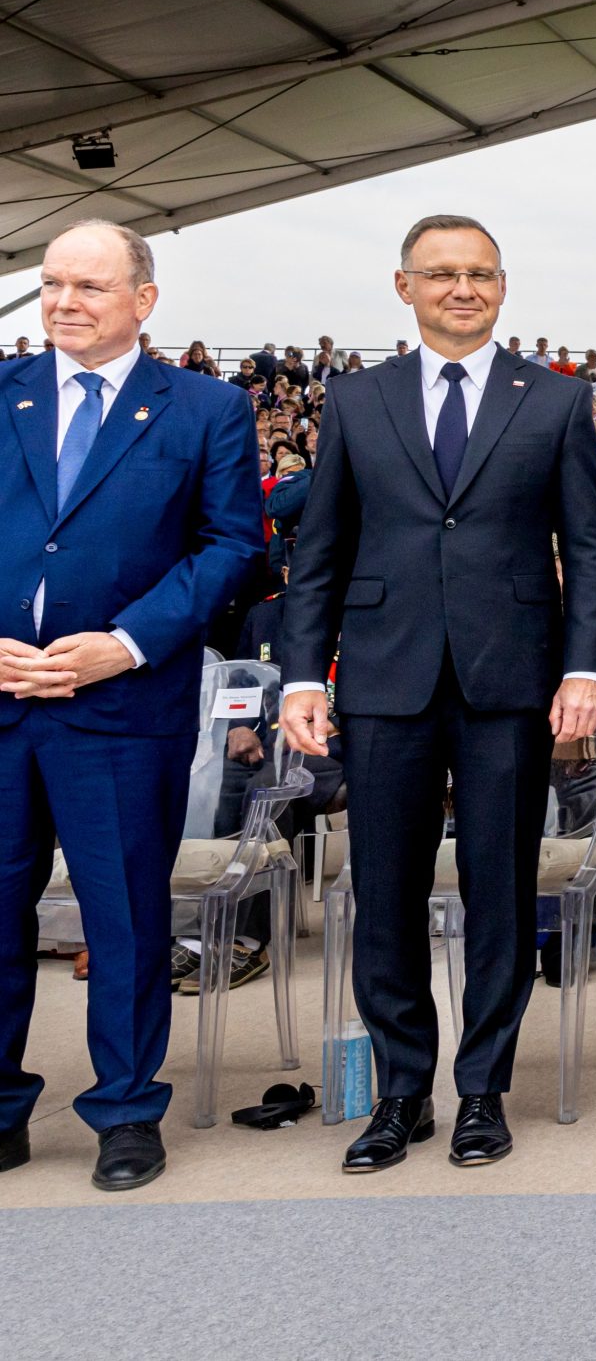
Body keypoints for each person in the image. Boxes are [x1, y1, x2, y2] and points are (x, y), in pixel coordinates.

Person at [278, 215, 596, 1174]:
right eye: (442, 275)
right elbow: (321, 552)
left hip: (511, 677)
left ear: (502, 288)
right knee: (383, 891)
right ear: (404, 287)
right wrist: (306, 674)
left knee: (501, 892)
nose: (462, 290)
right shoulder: (355, 400)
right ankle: (398, 1095)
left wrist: (584, 669)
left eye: (480, 275)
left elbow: (590, 550)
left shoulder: (552, 400)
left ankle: (482, 1091)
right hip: (385, 679)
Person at [0, 223, 262, 1192]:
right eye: (52, 283)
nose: (66, 301)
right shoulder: (2, 392)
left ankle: (123, 1108)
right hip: (2, 700)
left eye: (90, 284)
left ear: (143, 299)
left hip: (120, 708)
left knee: (123, 918)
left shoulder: (205, 409)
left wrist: (126, 642)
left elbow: (231, 544)